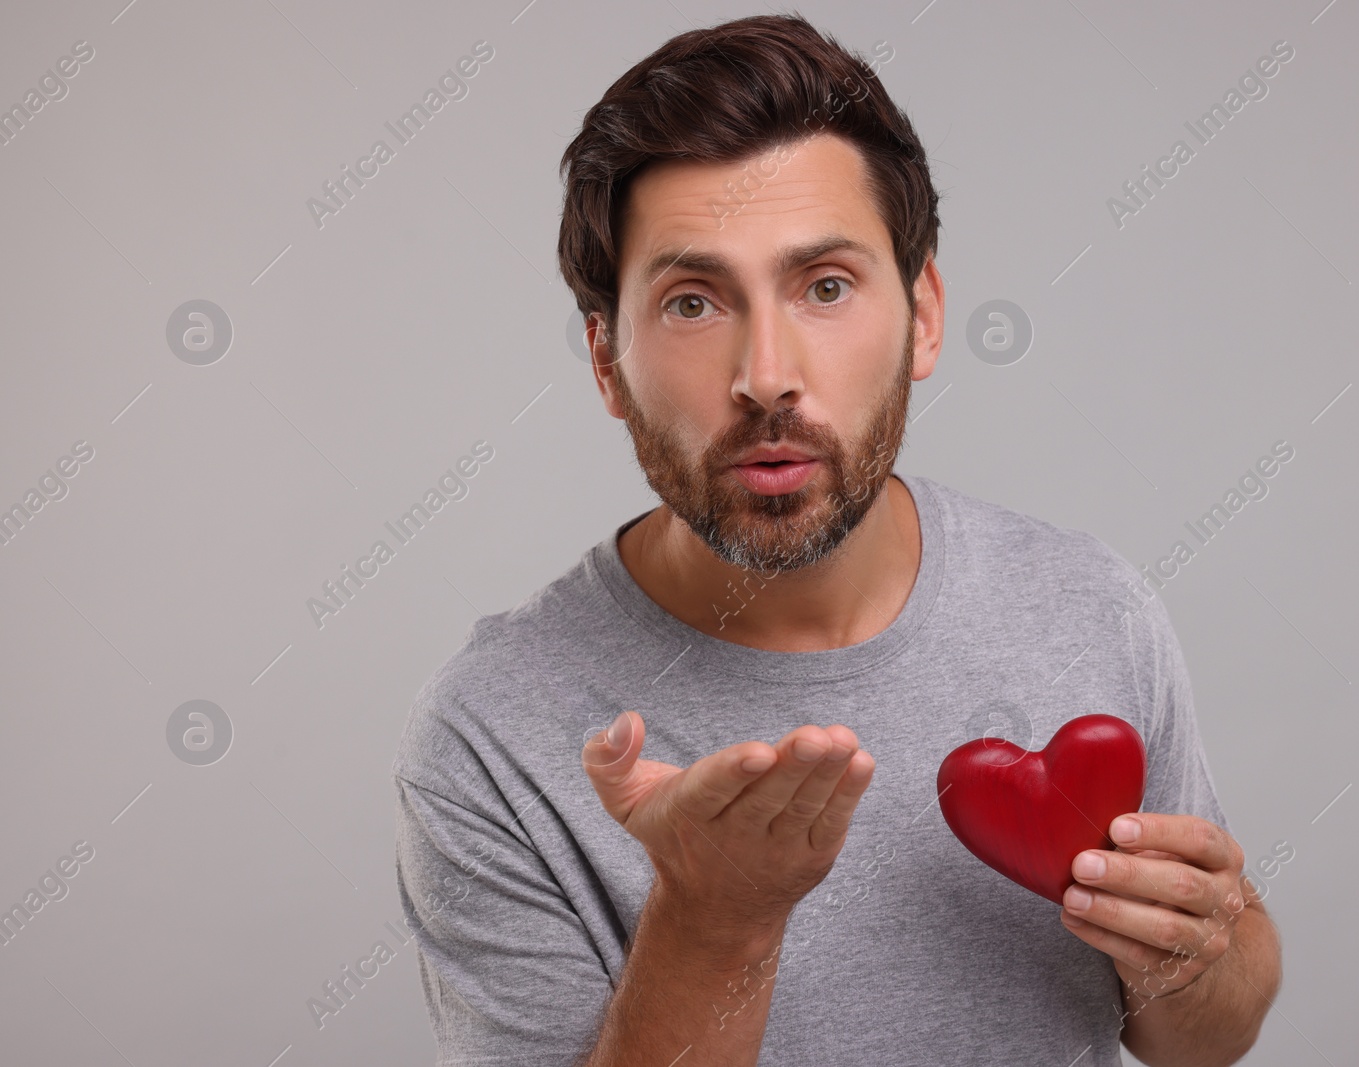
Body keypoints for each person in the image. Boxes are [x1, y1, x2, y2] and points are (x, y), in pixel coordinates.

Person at [392, 13, 1281, 1066]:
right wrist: (714, 918)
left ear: (924, 313)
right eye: (691, 301)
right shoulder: (492, 727)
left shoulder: (1092, 606)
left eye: (824, 286)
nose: (766, 372)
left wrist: (1193, 954)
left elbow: (1207, 1037)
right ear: (604, 362)